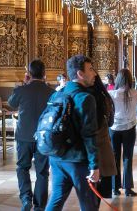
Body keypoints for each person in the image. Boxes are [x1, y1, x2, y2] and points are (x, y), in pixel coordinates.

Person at [45, 55, 103, 211]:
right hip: (78, 161)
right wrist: (94, 165)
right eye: (90, 69)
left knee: (56, 200)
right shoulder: (85, 98)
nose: (94, 73)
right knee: (88, 204)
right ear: (80, 74)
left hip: (57, 157)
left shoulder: (56, 94)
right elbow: (89, 135)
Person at [8, 59, 54, 211]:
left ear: (29, 73)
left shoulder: (21, 90)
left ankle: (26, 198)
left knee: (22, 167)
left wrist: (24, 84)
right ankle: (39, 206)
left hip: (24, 136)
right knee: (42, 172)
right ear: (44, 73)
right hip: (43, 137)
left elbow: (12, 103)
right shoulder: (51, 93)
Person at [107, 69, 137, 197]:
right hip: (130, 128)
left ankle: (114, 187)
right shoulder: (135, 93)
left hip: (114, 128)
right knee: (127, 157)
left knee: (114, 158)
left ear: (118, 79)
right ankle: (128, 188)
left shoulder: (112, 94)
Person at [90, 75, 118, 195]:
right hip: (104, 144)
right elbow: (111, 122)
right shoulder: (105, 98)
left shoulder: (84, 97)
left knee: (90, 191)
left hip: (89, 148)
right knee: (101, 190)